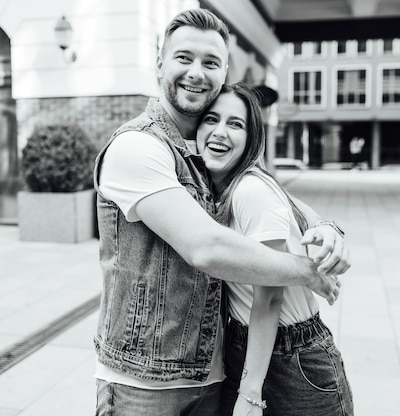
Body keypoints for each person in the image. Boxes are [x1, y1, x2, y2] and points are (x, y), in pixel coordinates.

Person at [92, 9, 351, 415]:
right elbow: (206, 248)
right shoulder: (137, 147)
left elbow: (264, 191)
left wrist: (325, 225)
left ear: (223, 71)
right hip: (145, 383)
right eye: (184, 57)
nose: (197, 72)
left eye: (210, 62)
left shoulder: (200, 153)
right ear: (159, 63)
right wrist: (306, 270)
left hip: (213, 373)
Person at [196, 82, 353, 416]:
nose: (219, 132)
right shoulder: (221, 188)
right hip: (248, 346)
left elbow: (269, 297)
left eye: (235, 124)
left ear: (251, 137)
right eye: (211, 119)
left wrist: (250, 393)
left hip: (293, 358)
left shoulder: (250, 190)